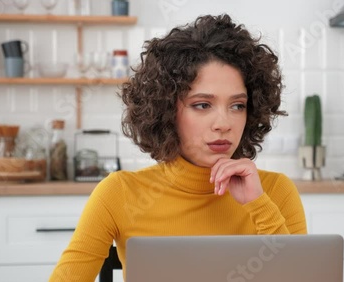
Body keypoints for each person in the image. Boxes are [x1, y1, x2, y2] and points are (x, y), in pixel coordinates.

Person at [49, 13, 307, 282]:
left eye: (237, 106)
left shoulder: (275, 193)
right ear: (166, 110)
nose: (224, 123)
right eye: (202, 105)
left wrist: (259, 205)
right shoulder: (119, 194)